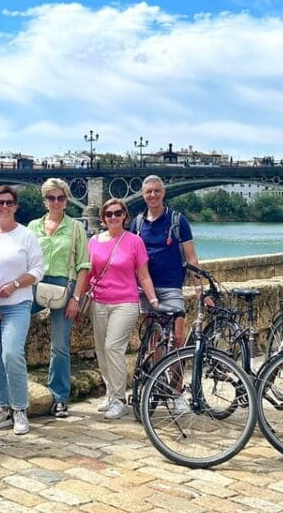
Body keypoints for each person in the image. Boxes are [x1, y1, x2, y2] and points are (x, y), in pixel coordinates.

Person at [0, 185, 44, 435]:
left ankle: (20, 409)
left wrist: (15, 284)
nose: (4, 206)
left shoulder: (26, 235)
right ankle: (1, 407)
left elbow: (38, 270)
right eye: (0, 202)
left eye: (9, 202)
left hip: (18, 304)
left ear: (16, 206)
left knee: (11, 354)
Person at [88, 199, 158, 419]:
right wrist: (77, 297)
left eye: (118, 213)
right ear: (103, 218)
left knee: (113, 348)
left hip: (125, 302)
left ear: (125, 216)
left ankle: (119, 399)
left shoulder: (134, 241)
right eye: (108, 214)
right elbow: (87, 273)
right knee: (101, 350)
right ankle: (111, 393)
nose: (113, 217)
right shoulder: (94, 241)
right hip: (98, 301)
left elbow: (143, 274)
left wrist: (153, 299)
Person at [28, 178, 90, 418]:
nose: (56, 202)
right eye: (51, 197)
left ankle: (60, 397)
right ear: (45, 201)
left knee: (60, 345)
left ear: (66, 200)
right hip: (35, 285)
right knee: (11, 331)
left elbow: (83, 266)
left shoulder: (75, 228)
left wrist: (76, 298)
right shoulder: (33, 226)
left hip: (64, 286)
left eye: (60, 198)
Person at [130, 175, 209, 349]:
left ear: (164, 193)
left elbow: (191, 257)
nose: (153, 195)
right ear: (143, 194)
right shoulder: (136, 223)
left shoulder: (178, 221)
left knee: (177, 339)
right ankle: (156, 375)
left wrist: (198, 287)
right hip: (145, 289)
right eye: (149, 191)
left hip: (171, 287)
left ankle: (176, 377)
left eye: (157, 191)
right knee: (152, 340)